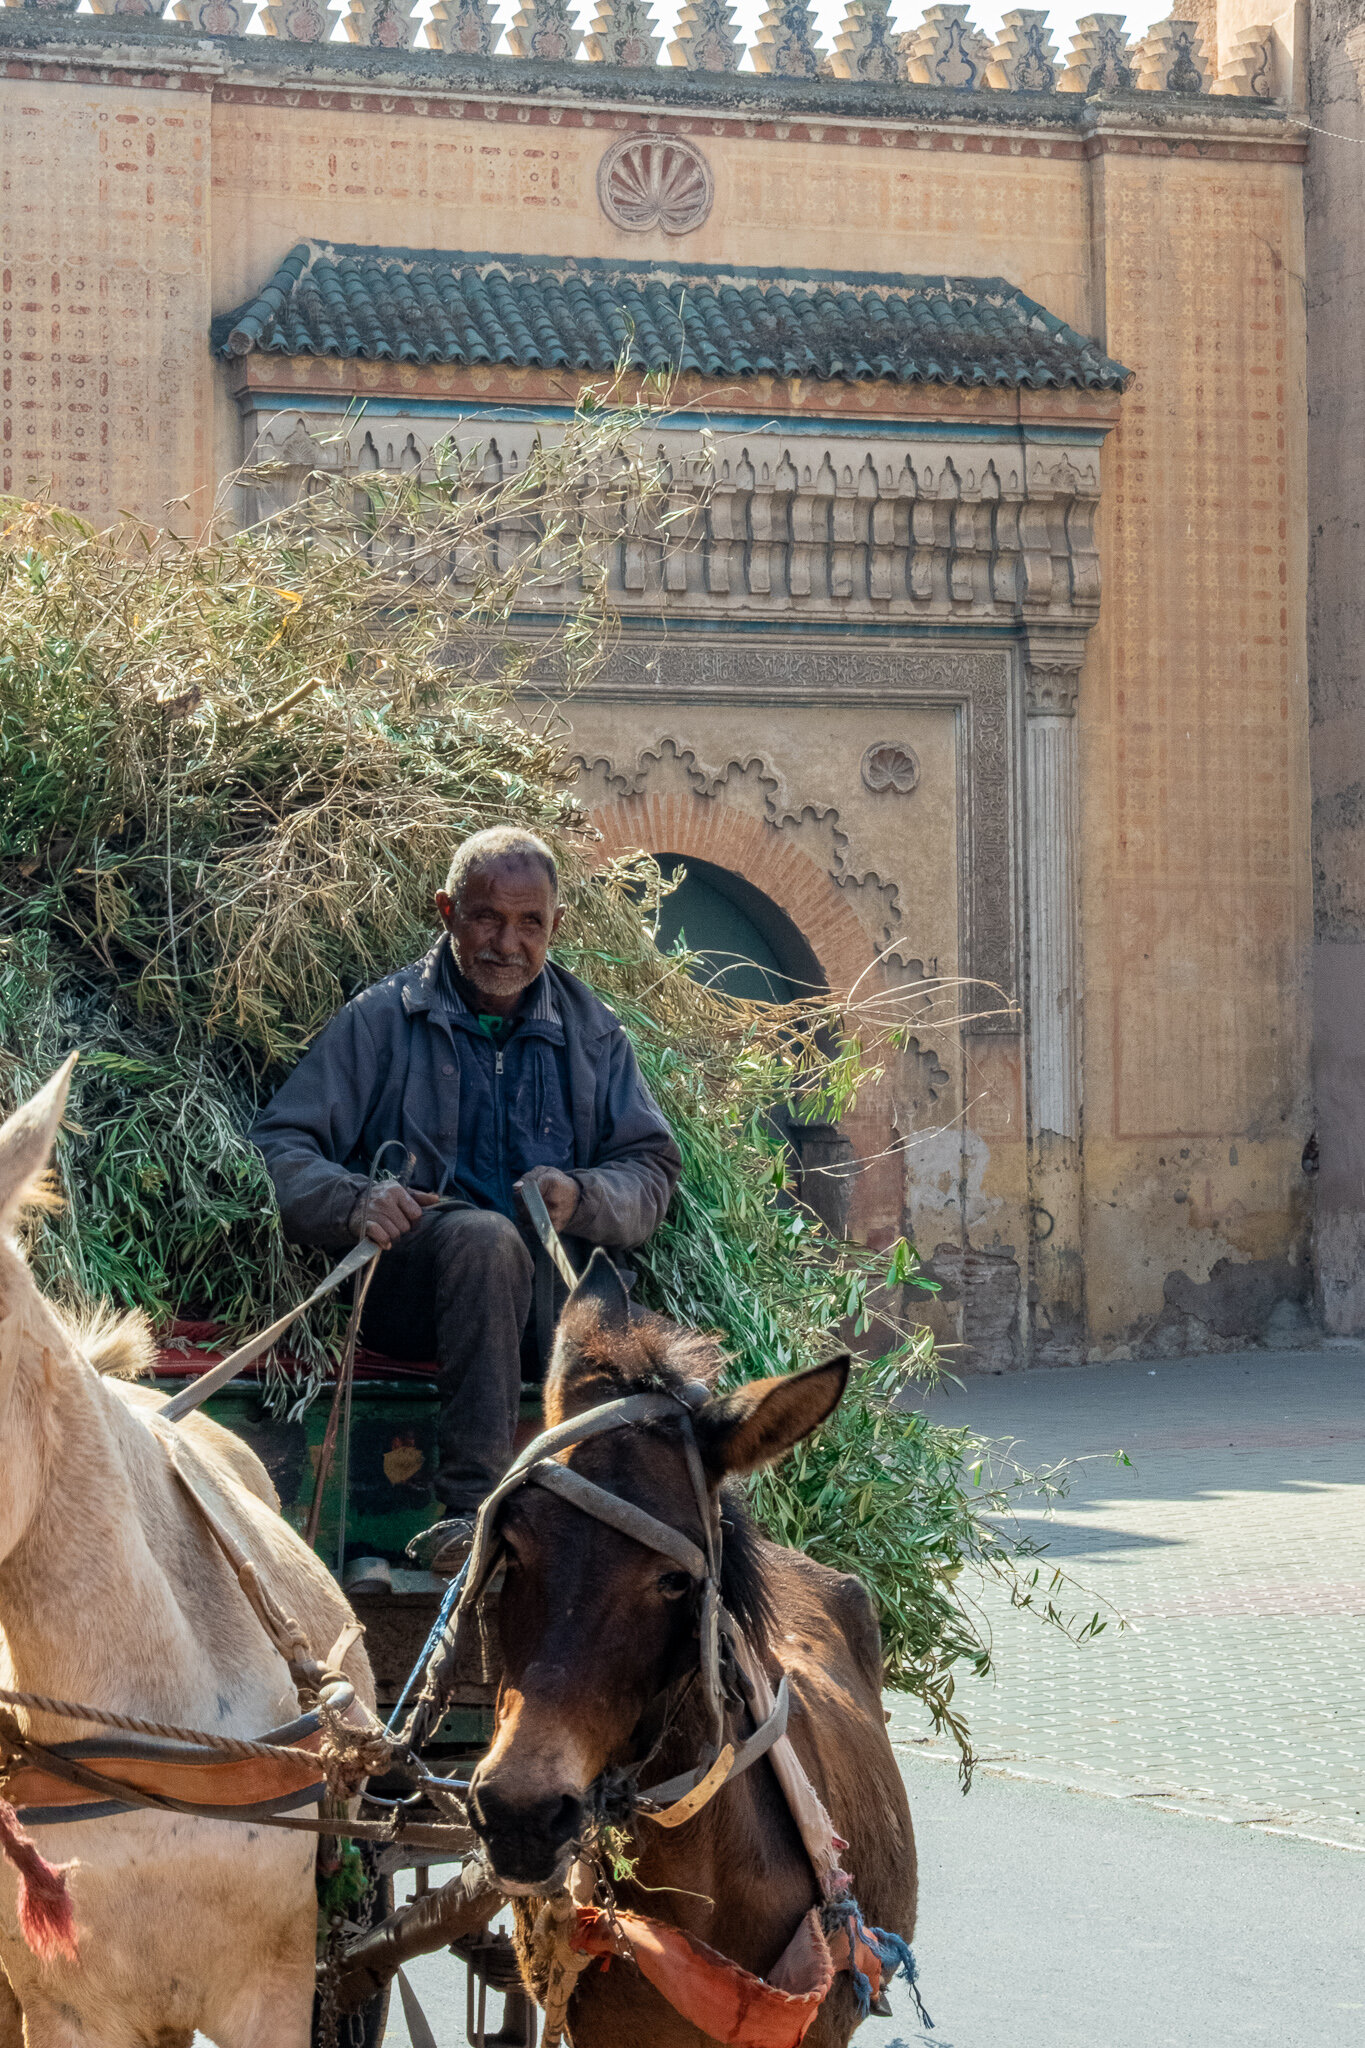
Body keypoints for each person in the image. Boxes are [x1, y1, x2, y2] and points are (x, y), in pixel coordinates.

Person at [251, 826, 682, 1573]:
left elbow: (651, 1169)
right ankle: (470, 1513)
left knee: (659, 1359)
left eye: (528, 923)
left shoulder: (593, 1036)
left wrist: (580, 1195)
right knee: (483, 1239)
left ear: (556, 927)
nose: (505, 942)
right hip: (413, 1295)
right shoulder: (383, 1020)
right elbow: (281, 1146)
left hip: (548, 1310)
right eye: (485, 917)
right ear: (447, 912)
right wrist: (355, 1199)